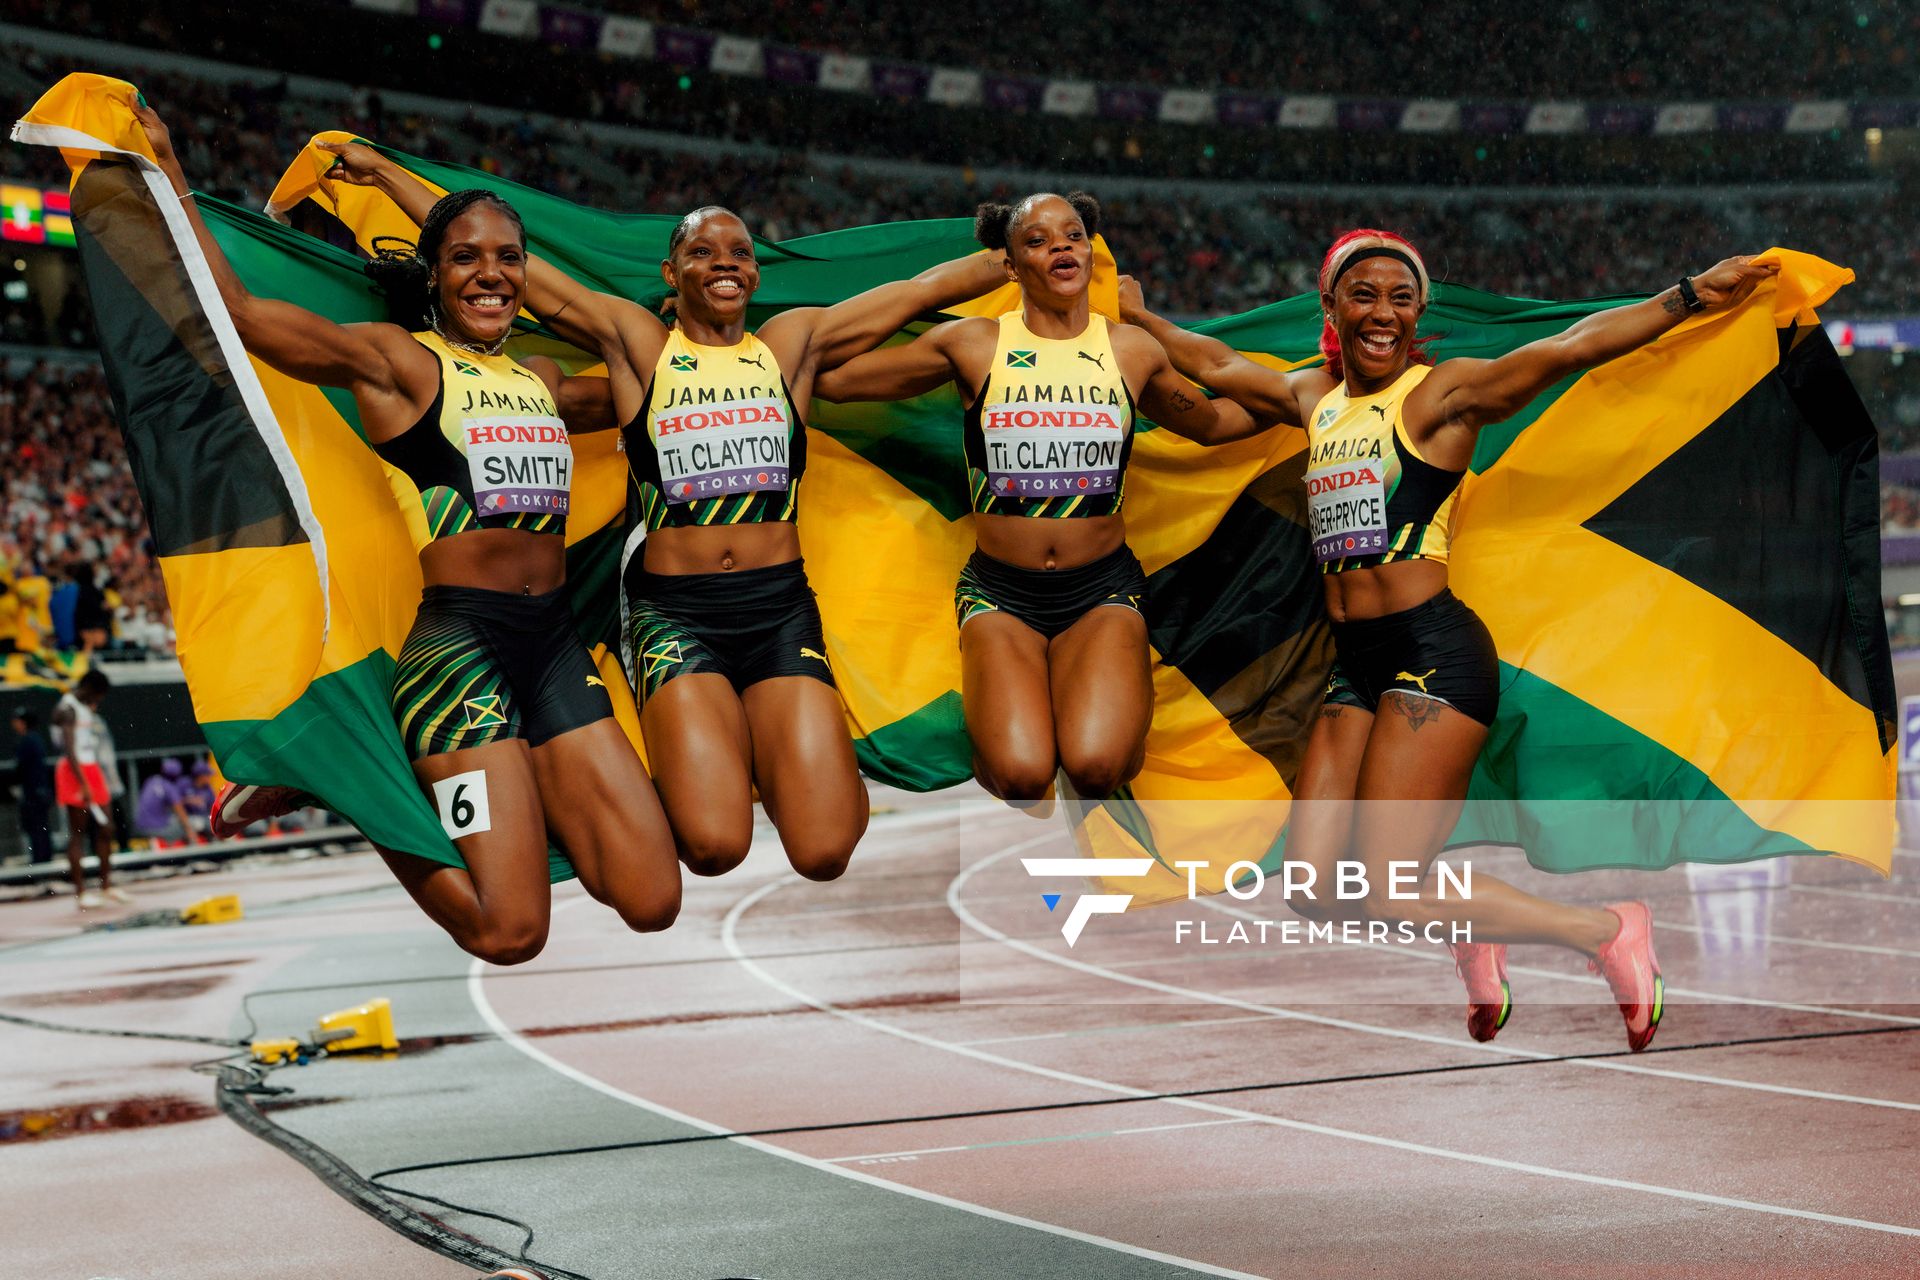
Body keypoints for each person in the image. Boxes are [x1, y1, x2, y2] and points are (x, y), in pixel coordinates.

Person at [1120, 230, 1776, 1051]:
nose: (1383, 313)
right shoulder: (1311, 398)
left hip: (1433, 655)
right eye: (1363, 295)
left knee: (1390, 889)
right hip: (1351, 667)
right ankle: (1472, 927)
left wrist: (1685, 295)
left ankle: (1607, 929)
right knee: (1318, 889)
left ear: (1418, 310)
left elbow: (1570, 348)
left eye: (1401, 297)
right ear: (1331, 309)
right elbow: (1212, 365)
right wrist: (1138, 318)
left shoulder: (1442, 398)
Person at [317, 142, 1011, 883]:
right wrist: (391, 179)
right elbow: (515, 267)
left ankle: (741, 753)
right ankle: (644, 772)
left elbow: (914, 292)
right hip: (674, 616)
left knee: (824, 849)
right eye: (702, 250)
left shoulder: (789, 345)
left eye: (740, 252)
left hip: (779, 611)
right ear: (670, 275)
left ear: (754, 272)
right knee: (714, 847)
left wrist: (1031, 251)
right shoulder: (639, 347)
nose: (725, 262)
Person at [136, 102, 680, 965]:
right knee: (511, 932)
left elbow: (658, 389)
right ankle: (358, 789)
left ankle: (514, 780)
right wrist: (168, 169)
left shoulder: (542, 378)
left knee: (653, 898)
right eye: (465, 258)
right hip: (459, 656)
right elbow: (239, 316)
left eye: (508, 259)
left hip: (552, 650)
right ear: (434, 274)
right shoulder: (400, 365)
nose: (490, 274)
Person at [815, 193, 1265, 805]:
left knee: (1097, 767)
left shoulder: (1130, 352)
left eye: (1073, 235)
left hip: (1101, 588)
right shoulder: (971, 343)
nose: (1061, 246)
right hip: (1000, 592)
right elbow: (832, 380)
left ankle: (1108, 704)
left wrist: (1317, 401)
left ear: (1087, 250)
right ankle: (1027, 714)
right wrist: (928, 291)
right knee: (1024, 779)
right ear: (1010, 264)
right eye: (1038, 240)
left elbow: (1213, 424)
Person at [52, 669, 120, 906]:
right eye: (98, 695)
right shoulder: (67, 708)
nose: (99, 701)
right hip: (74, 770)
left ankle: (106, 887)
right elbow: (69, 749)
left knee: (106, 827)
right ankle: (81, 893)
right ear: (90, 688)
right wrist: (83, 783)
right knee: (78, 832)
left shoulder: (83, 705)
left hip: (91, 766)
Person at [10, 706, 53, 864]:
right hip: (37, 791)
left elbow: (24, 768)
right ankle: (42, 861)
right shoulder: (33, 739)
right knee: (39, 829)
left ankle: (41, 863)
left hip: (34, 793)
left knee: (38, 830)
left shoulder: (29, 740)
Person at [135, 757, 202, 846]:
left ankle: (160, 844)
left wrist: (186, 800)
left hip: (139, 826)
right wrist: (190, 832)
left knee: (171, 818)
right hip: (156, 829)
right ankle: (170, 848)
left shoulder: (151, 780)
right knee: (189, 825)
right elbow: (180, 812)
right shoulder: (169, 786)